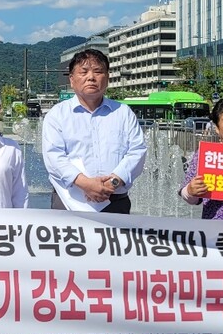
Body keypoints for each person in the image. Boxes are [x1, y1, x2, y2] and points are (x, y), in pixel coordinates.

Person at [41, 49, 146, 214]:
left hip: (115, 201)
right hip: (70, 201)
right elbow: (54, 157)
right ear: (72, 80)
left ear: (107, 78)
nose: (91, 77)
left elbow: (137, 151)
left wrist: (113, 182)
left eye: (98, 71)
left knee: (117, 241)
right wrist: (85, 183)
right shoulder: (57, 114)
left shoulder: (123, 112)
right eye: (83, 72)